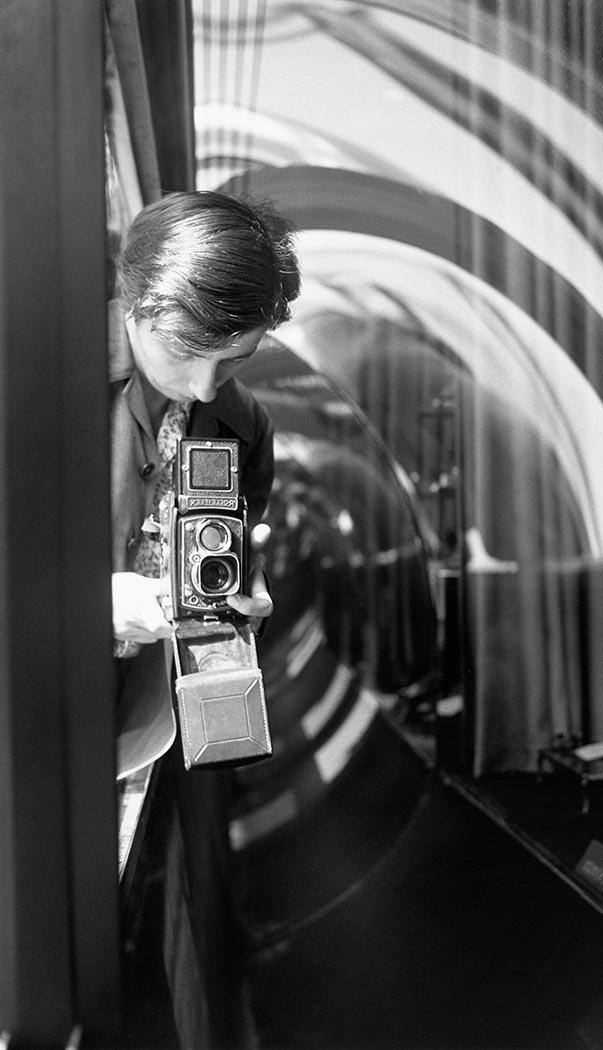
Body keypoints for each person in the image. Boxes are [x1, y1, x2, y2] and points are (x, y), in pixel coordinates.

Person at [109, 189, 300, 1047]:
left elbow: (231, 558)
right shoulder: (34, 391)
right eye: (189, 351)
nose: (203, 386)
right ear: (138, 298)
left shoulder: (243, 423)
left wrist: (241, 600)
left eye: (233, 361)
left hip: (146, 731)